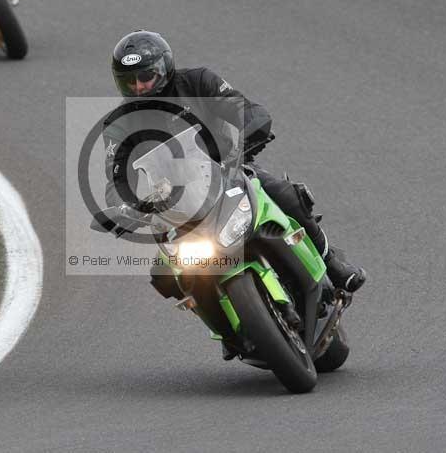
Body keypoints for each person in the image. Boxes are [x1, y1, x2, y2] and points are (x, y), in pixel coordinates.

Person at [103, 30, 367, 299]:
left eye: (146, 77)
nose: (138, 87)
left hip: (230, 171)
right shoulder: (118, 124)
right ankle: (231, 335)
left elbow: (246, 110)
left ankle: (332, 264)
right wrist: (125, 206)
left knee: (286, 195)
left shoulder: (197, 82)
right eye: (129, 81)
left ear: (164, 68)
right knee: (165, 278)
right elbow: (116, 178)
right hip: (176, 205)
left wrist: (252, 131)